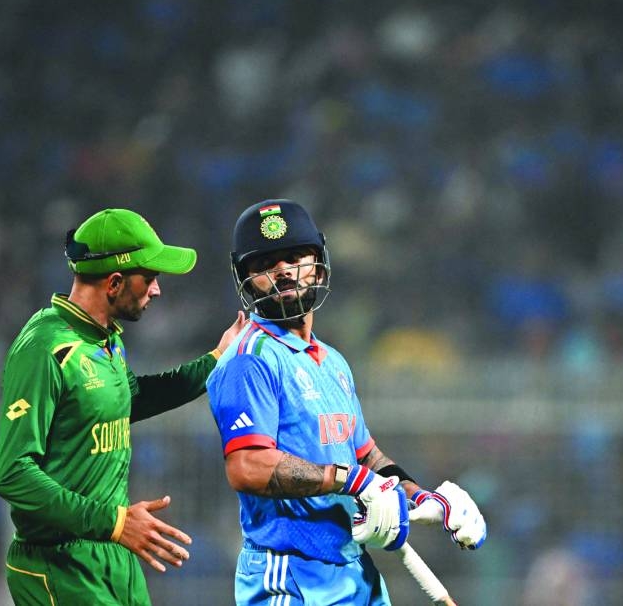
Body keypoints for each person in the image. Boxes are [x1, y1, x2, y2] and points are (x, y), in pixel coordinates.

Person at [206, 199, 487, 605]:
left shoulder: (333, 361)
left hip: (353, 570)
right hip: (290, 575)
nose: (283, 271)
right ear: (246, 279)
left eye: (294, 257)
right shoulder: (250, 360)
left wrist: (420, 497)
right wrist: (353, 481)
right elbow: (247, 466)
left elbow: (364, 453)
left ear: (318, 266)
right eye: (265, 263)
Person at [0, 207, 247, 606]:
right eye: (149, 278)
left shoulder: (105, 338)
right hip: (59, 563)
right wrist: (113, 521)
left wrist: (216, 358)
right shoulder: (46, 349)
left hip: (113, 551)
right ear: (114, 283)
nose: (157, 290)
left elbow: (130, 399)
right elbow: (12, 474)